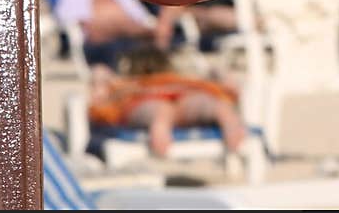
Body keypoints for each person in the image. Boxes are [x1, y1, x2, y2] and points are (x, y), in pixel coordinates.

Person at [87, 46, 247, 158]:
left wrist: (104, 81)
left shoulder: (126, 84)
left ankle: (160, 124)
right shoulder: (181, 80)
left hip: (152, 99)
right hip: (177, 96)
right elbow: (228, 83)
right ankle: (226, 117)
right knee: (204, 103)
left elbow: (99, 75)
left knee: (160, 109)